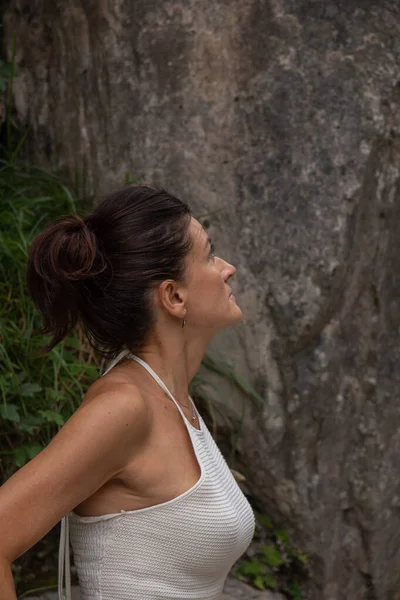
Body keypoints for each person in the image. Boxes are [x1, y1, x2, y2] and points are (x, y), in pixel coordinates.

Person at [0, 185, 255, 600]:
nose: (228, 268)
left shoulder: (172, 399)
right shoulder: (125, 407)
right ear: (174, 297)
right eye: (209, 255)